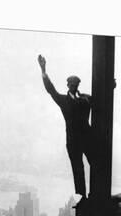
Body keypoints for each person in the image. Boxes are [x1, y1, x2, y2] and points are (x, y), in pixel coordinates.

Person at [37, 54, 93, 199]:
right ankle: (82, 199)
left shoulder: (86, 99)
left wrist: (110, 87)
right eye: (71, 84)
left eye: (76, 84)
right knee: (77, 170)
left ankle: (96, 195)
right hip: (73, 142)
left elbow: (102, 98)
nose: (74, 86)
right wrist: (43, 71)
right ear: (68, 85)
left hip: (87, 139)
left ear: (78, 85)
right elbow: (51, 90)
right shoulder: (63, 100)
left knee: (96, 164)